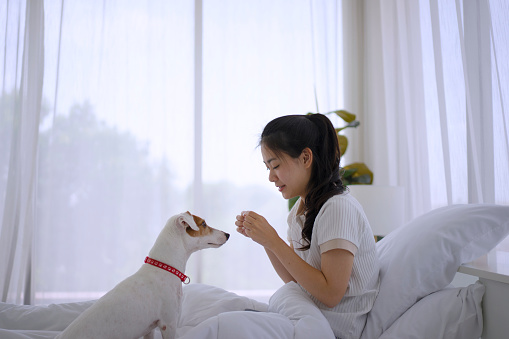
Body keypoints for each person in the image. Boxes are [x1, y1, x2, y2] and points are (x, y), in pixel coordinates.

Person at [235, 113, 380, 339]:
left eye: (275, 165)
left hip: (334, 328)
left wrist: (273, 239)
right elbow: (296, 280)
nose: (271, 177)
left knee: (231, 324)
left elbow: (331, 293)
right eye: (267, 168)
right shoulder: (300, 211)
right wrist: (264, 240)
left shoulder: (338, 208)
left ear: (305, 158)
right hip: (312, 316)